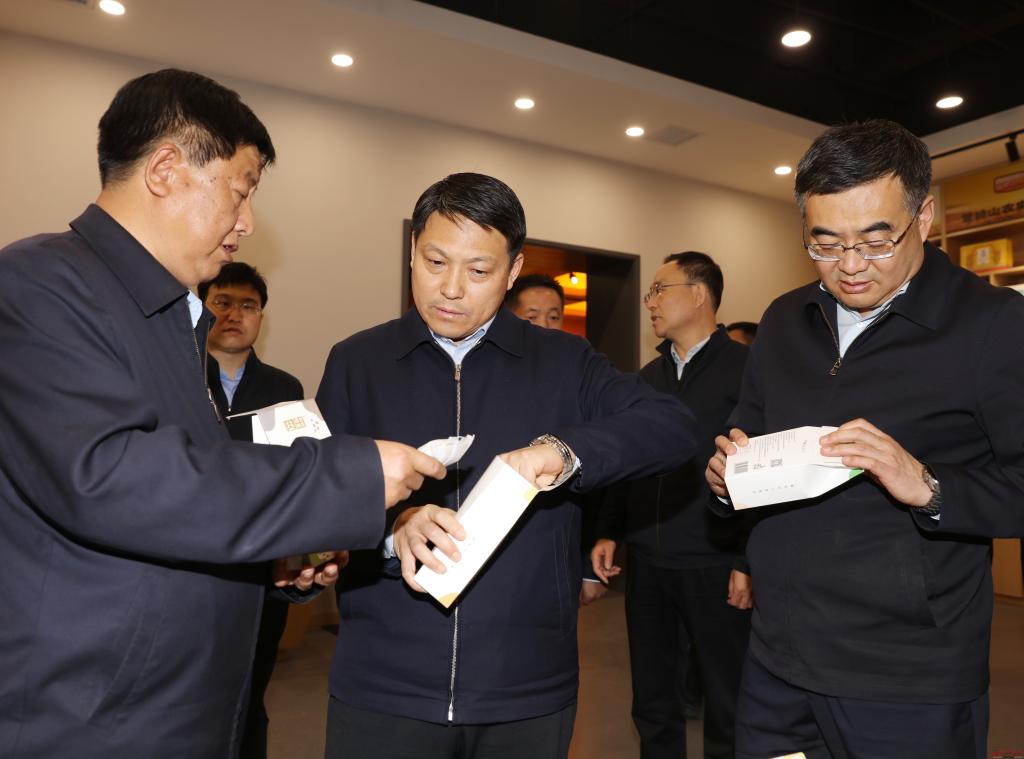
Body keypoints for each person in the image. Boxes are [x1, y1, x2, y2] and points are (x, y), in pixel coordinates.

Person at [0, 68, 444, 759]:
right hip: (89, 716)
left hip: (176, 707)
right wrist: (347, 476)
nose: (247, 222)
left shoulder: (172, 319)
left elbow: (185, 498)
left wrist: (273, 558)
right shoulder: (40, 283)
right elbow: (111, 475)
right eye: (240, 190)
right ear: (165, 170)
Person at [316, 172, 697, 759]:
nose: (450, 289)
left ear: (513, 270)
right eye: (434, 262)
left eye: (478, 271)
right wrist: (390, 527)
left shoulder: (566, 361)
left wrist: (563, 452)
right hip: (384, 681)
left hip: (526, 684)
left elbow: (673, 427)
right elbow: (319, 503)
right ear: (412, 250)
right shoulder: (357, 361)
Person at [706, 119, 1024, 759]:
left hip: (907, 675)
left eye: (876, 242)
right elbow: (746, 438)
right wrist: (725, 480)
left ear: (923, 217)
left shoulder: (995, 325)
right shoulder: (785, 319)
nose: (849, 266)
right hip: (777, 657)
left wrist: (928, 485)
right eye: (824, 244)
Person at [592, 251, 753, 759]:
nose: (650, 302)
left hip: (715, 559)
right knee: (653, 696)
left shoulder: (747, 371)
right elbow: (627, 461)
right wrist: (610, 530)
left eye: (660, 290)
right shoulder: (646, 379)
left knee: (727, 697)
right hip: (649, 561)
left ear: (699, 294)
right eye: (650, 293)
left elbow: (764, 475)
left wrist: (747, 560)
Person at [197, 262, 305, 759]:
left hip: (262, 563)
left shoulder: (285, 388)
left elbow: (297, 473)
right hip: (191, 561)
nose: (234, 314)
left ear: (261, 316)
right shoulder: (177, 377)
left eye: (248, 305)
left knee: (249, 695)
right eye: (222, 302)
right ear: (202, 308)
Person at [505, 272, 606, 606]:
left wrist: (587, 568)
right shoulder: (492, 375)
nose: (545, 327)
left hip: (554, 547)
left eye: (554, 317)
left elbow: (594, 482)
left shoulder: (576, 379)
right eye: (532, 317)